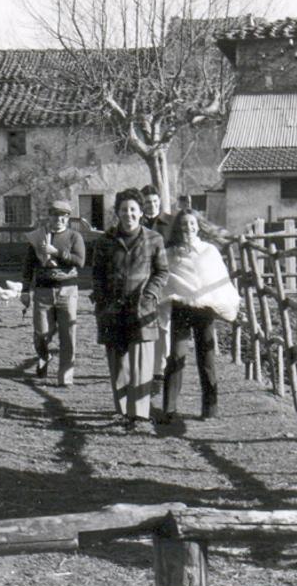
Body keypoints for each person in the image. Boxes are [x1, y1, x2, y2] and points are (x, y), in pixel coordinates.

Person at [91, 188, 169, 430]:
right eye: (124, 210)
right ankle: (123, 412)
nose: (129, 214)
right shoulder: (105, 242)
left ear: (141, 212)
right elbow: (97, 274)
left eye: (133, 209)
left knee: (142, 364)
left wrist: (150, 293)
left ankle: (140, 415)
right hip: (112, 310)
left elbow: (162, 271)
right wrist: (102, 300)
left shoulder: (154, 239)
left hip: (142, 310)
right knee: (118, 365)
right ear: (117, 212)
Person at [159, 208, 240, 422]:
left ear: (198, 226)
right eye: (184, 224)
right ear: (178, 228)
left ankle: (210, 409)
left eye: (192, 224)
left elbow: (219, 279)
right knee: (176, 356)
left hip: (205, 309)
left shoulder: (209, 251)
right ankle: (169, 409)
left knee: (207, 357)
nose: (188, 228)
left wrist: (224, 303)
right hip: (181, 307)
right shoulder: (170, 253)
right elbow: (166, 280)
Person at [21, 200, 86, 386]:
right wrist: (25, 290)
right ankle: (44, 356)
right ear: (49, 217)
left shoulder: (74, 237)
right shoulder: (38, 237)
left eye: (62, 216)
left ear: (67, 218)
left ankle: (65, 378)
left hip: (67, 290)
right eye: (55, 215)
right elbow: (28, 265)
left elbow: (80, 261)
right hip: (42, 291)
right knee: (41, 333)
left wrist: (56, 252)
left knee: (68, 335)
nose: (58, 219)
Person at [139, 184, 174, 403]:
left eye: (154, 201)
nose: (151, 205)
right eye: (147, 202)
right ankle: (145, 366)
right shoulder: (136, 223)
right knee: (143, 323)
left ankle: (160, 369)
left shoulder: (170, 223)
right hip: (141, 281)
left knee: (164, 325)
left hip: (164, 280)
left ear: (159, 202)